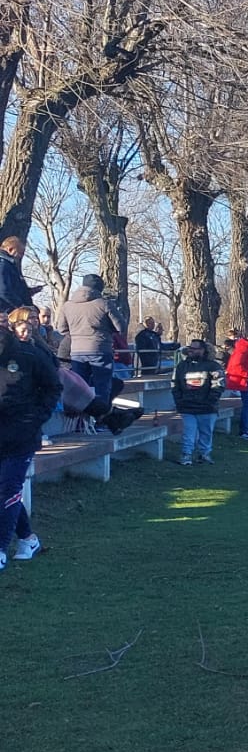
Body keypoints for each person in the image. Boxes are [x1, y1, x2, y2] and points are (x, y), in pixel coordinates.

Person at [1, 309, 61, 571]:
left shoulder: (29, 354)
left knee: (8, 490)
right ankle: (28, 539)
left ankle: (1, 549)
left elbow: (53, 386)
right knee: (5, 491)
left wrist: (36, 417)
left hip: (21, 434)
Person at [56, 273, 122, 417]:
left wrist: (76, 333)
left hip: (77, 351)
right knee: (102, 387)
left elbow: (61, 328)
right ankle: (100, 418)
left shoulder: (67, 305)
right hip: (100, 348)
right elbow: (120, 327)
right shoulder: (104, 303)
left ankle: (79, 421)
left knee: (80, 387)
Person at [171, 339, 225, 465]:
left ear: (203, 350)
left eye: (195, 348)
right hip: (187, 406)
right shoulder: (182, 366)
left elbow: (218, 385)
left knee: (206, 432)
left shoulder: (213, 366)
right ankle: (186, 455)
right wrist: (179, 401)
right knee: (188, 432)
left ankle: (204, 454)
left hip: (207, 407)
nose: (191, 350)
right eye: (190, 348)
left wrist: (210, 400)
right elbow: (175, 384)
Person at [0, 233, 40, 314]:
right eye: (20, 253)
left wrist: (28, 291)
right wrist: (21, 306)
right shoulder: (3, 264)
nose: (21, 256)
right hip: (8, 310)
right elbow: (4, 290)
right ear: (10, 249)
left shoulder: (9, 265)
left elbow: (14, 287)